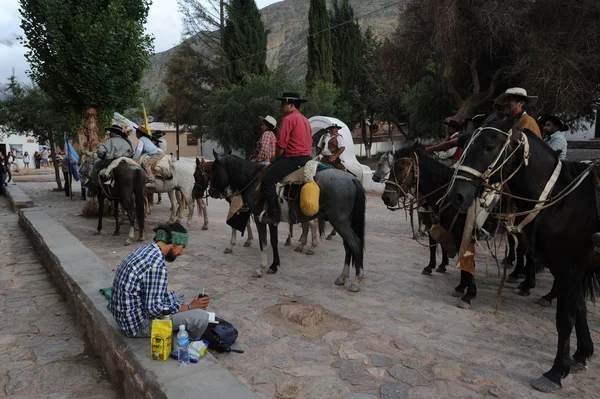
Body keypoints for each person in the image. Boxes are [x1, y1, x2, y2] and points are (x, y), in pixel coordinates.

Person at [109, 223, 210, 339]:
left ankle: (179, 322)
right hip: (138, 326)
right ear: (174, 244)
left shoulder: (146, 250)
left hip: (125, 317)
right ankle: (189, 342)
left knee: (179, 296)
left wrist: (185, 307)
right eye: (182, 247)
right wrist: (190, 308)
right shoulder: (156, 265)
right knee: (201, 317)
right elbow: (154, 309)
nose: (181, 253)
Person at [259, 92, 313, 225]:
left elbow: (282, 145)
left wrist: (275, 158)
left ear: (291, 104)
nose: (280, 106)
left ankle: (274, 215)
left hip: (293, 159)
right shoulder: (305, 119)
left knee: (266, 180)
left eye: (283, 103)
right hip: (306, 158)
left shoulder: (287, 119)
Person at [87, 125, 133, 189]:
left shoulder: (108, 141)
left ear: (115, 133)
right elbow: (131, 152)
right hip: (125, 161)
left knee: (96, 166)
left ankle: (95, 185)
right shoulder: (127, 142)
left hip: (111, 161)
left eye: (110, 132)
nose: (109, 134)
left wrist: (103, 156)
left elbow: (100, 151)